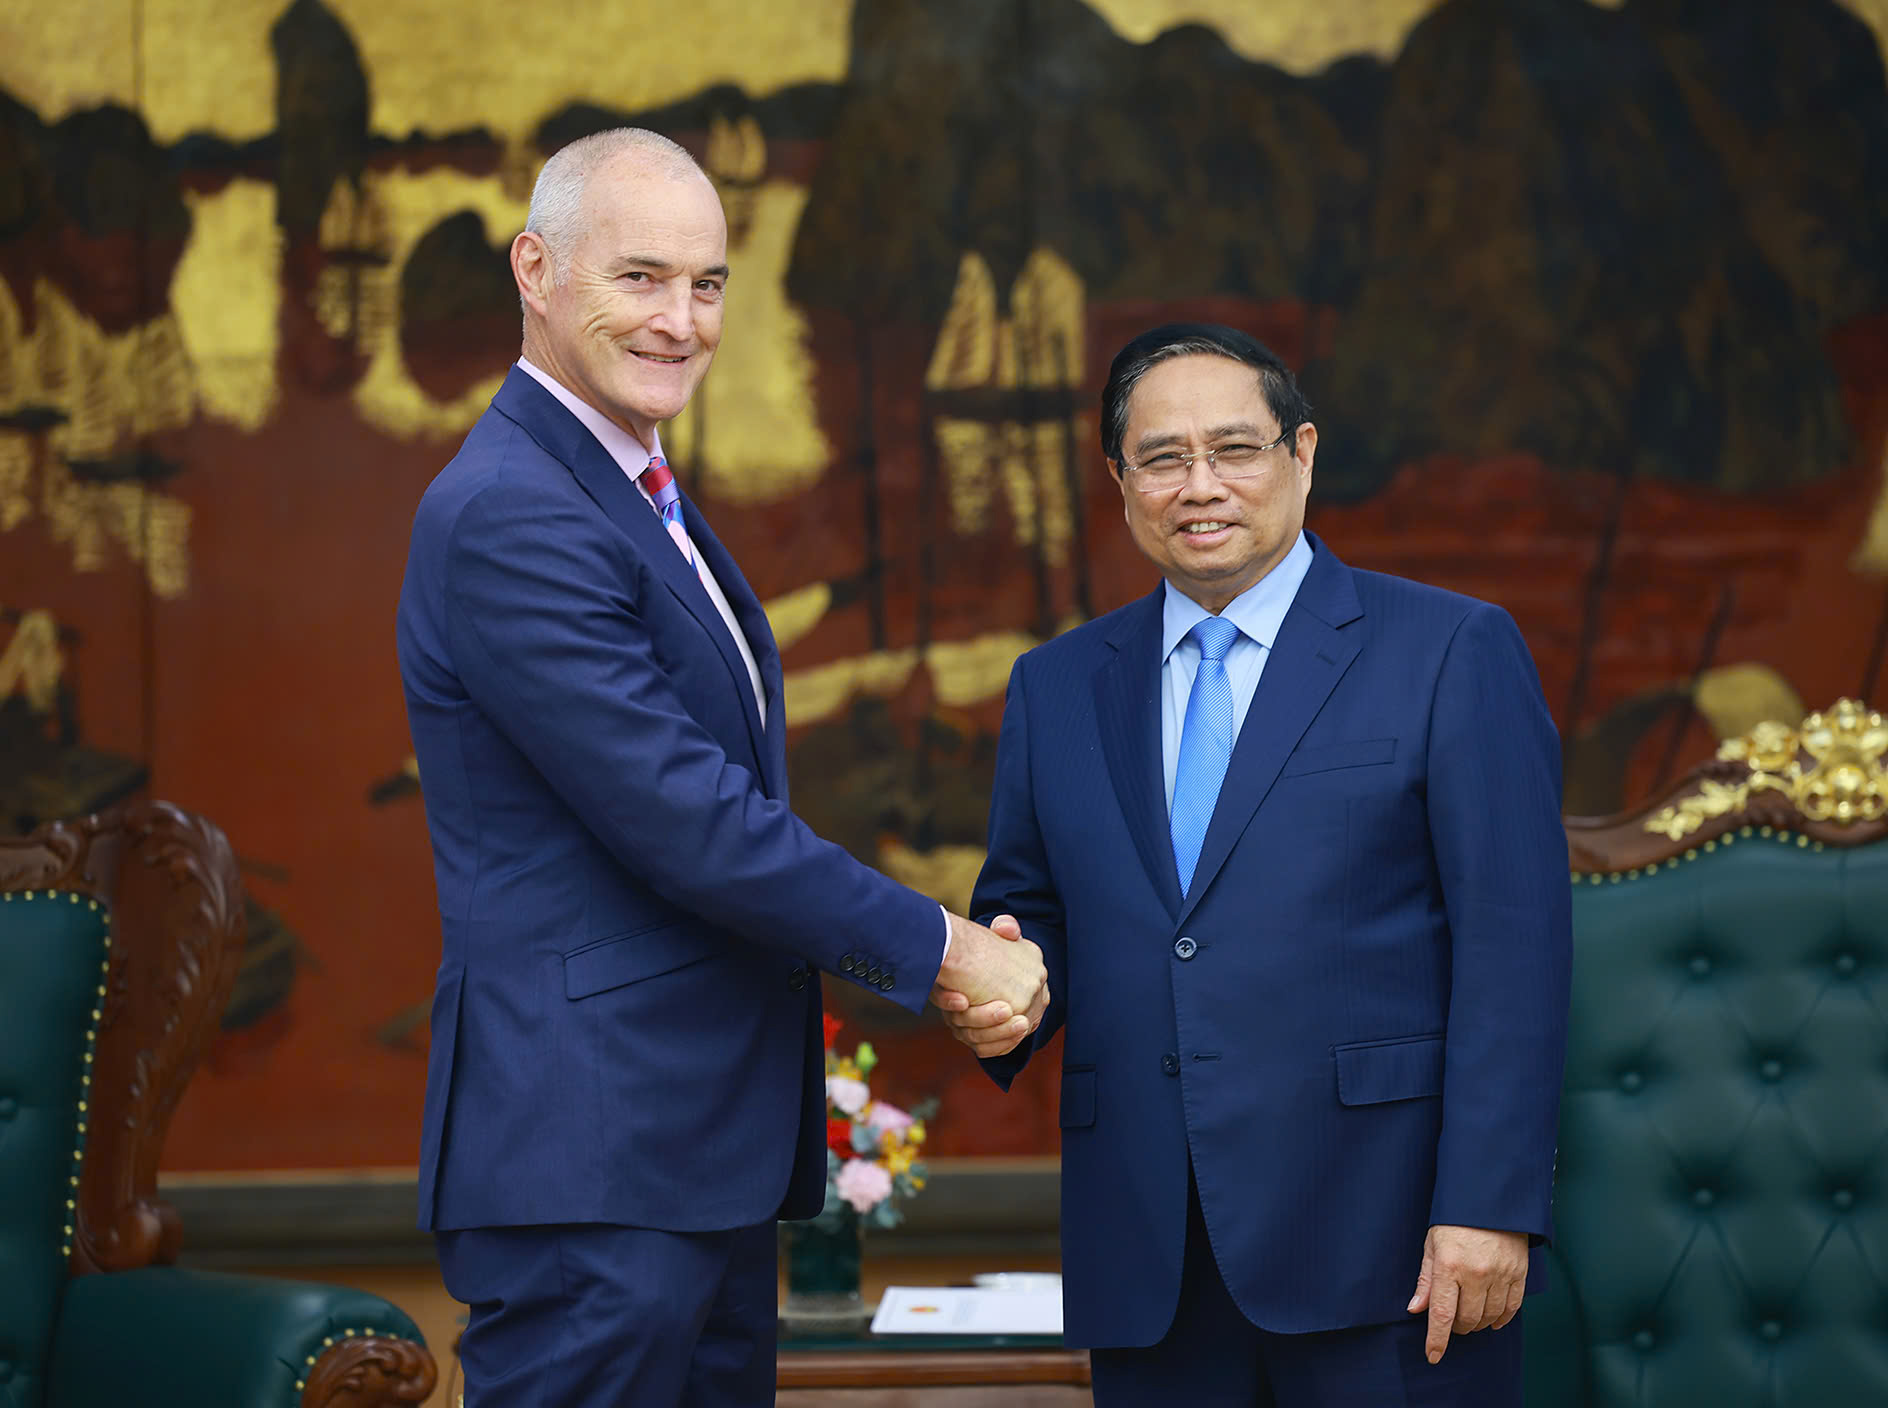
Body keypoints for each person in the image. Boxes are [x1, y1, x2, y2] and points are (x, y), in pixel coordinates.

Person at [395, 127, 1047, 1408]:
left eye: (707, 284)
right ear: (535, 269)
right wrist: (947, 950)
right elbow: (690, 820)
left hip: (692, 1160)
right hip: (594, 1164)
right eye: (639, 277)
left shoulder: (627, 487)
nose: (681, 320)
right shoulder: (512, 509)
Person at [938, 323, 1571, 1406]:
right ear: (1119, 481)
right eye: (1162, 458)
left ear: (1302, 454)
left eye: (1234, 449)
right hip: (1150, 1255)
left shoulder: (1449, 650)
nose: (1201, 486)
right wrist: (1000, 993)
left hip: (1391, 1248)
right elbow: (1032, 917)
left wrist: (1488, 1205)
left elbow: (1515, 950)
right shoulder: (1058, 684)